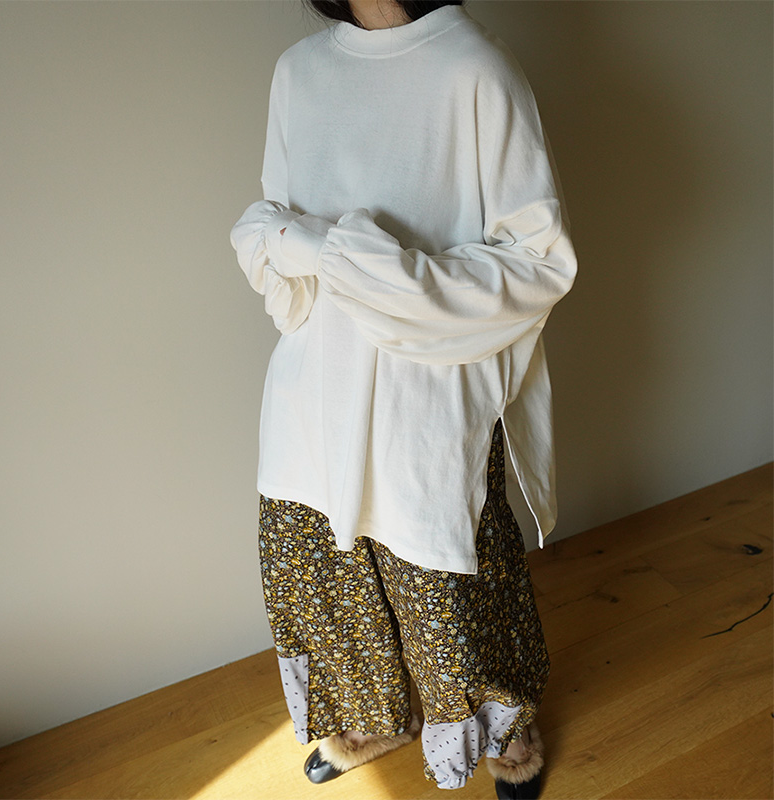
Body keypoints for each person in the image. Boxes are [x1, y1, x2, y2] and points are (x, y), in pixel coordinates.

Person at [230, 1, 576, 797]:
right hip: (312, 381)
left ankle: (504, 732)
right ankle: (374, 714)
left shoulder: (474, 68)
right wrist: (300, 250)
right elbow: (277, 229)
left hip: (428, 388)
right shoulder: (299, 72)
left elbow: (539, 260)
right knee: (327, 569)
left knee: (449, 589)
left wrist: (383, 275)